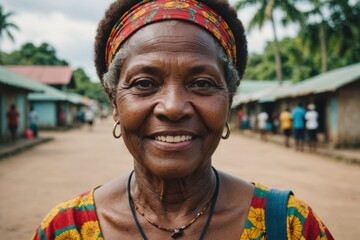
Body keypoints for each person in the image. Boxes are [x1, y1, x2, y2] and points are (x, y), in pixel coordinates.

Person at [32, 1, 333, 239]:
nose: (173, 108)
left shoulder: (291, 227)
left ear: (228, 100)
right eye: (144, 83)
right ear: (114, 102)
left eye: (201, 83)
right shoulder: (65, 230)